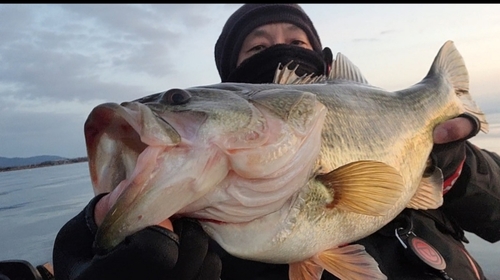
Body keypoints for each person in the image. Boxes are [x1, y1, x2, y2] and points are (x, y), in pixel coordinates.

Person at [4, 4, 498, 280]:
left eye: (297, 42)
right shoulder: (189, 224)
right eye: (257, 47)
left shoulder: (434, 147)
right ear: (234, 82)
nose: (280, 49)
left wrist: (464, 168)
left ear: (325, 66)